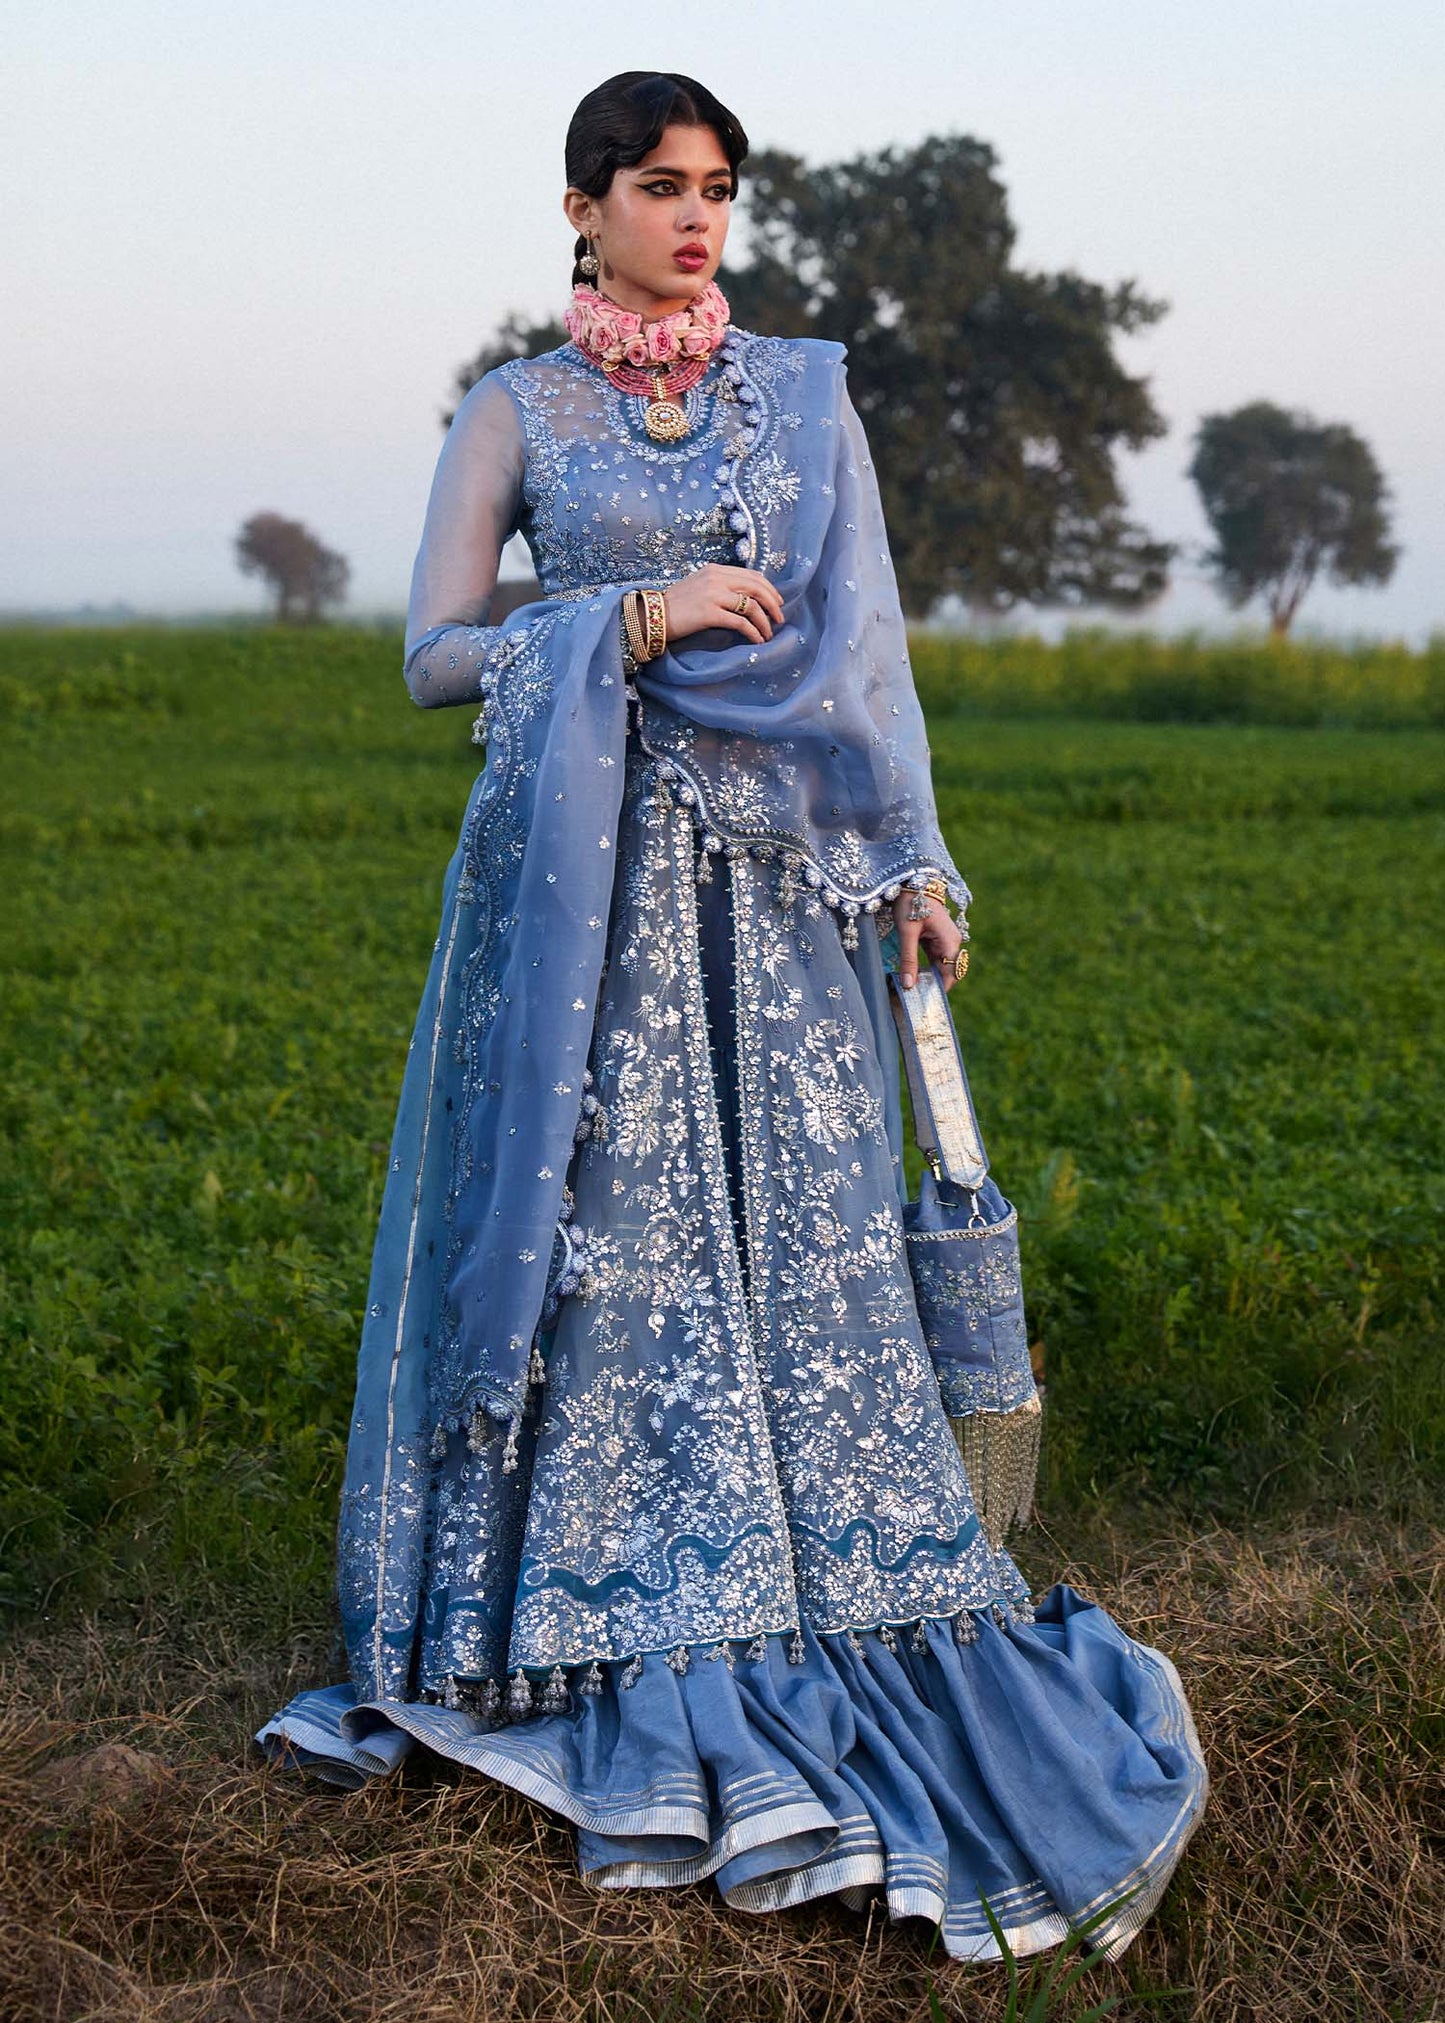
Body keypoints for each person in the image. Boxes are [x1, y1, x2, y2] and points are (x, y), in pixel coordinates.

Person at [259, 71, 1206, 1964]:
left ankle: (826, 1575)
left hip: (781, 898)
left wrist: (915, 858)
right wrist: (620, 618)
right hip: (574, 912)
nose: (696, 221)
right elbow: (438, 656)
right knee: (609, 1247)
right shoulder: (515, 414)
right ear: (580, 208)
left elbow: (868, 646)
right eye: (659, 188)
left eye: (718, 192)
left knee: (802, 1231)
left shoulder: (806, 397)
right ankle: (601, 1601)